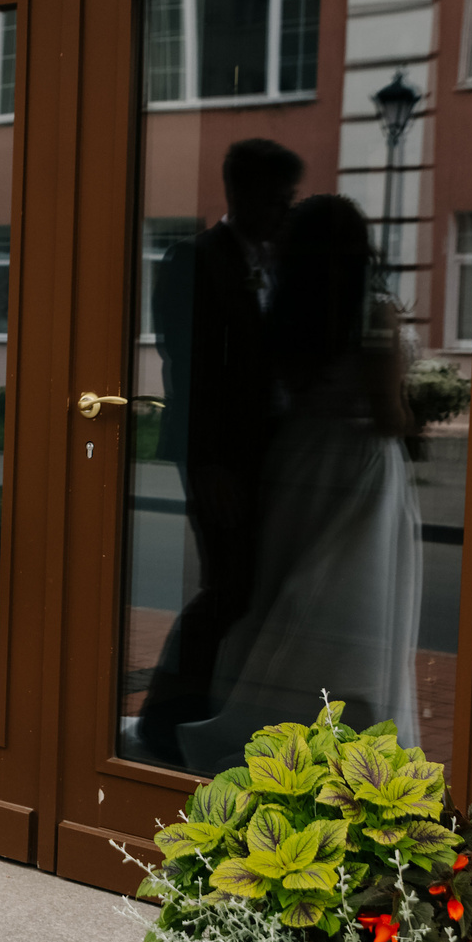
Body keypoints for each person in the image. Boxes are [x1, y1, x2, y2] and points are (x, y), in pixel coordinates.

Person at [175, 192, 423, 773]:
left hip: (299, 458)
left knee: (291, 591)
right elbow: (389, 415)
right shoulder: (375, 309)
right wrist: (417, 409)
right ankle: (349, 742)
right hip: (359, 465)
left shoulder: (288, 309)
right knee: (350, 604)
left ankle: (277, 731)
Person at [136, 137, 303, 764]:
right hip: (218, 455)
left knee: (256, 584)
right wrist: (207, 463)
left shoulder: (282, 257)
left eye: (287, 196)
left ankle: (227, 708)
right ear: (240, 193)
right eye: (273, 195)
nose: (282, 206)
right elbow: (187, 363)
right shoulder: (194, 258)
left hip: (277, 452)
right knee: (227, 586)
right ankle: (167, 715)